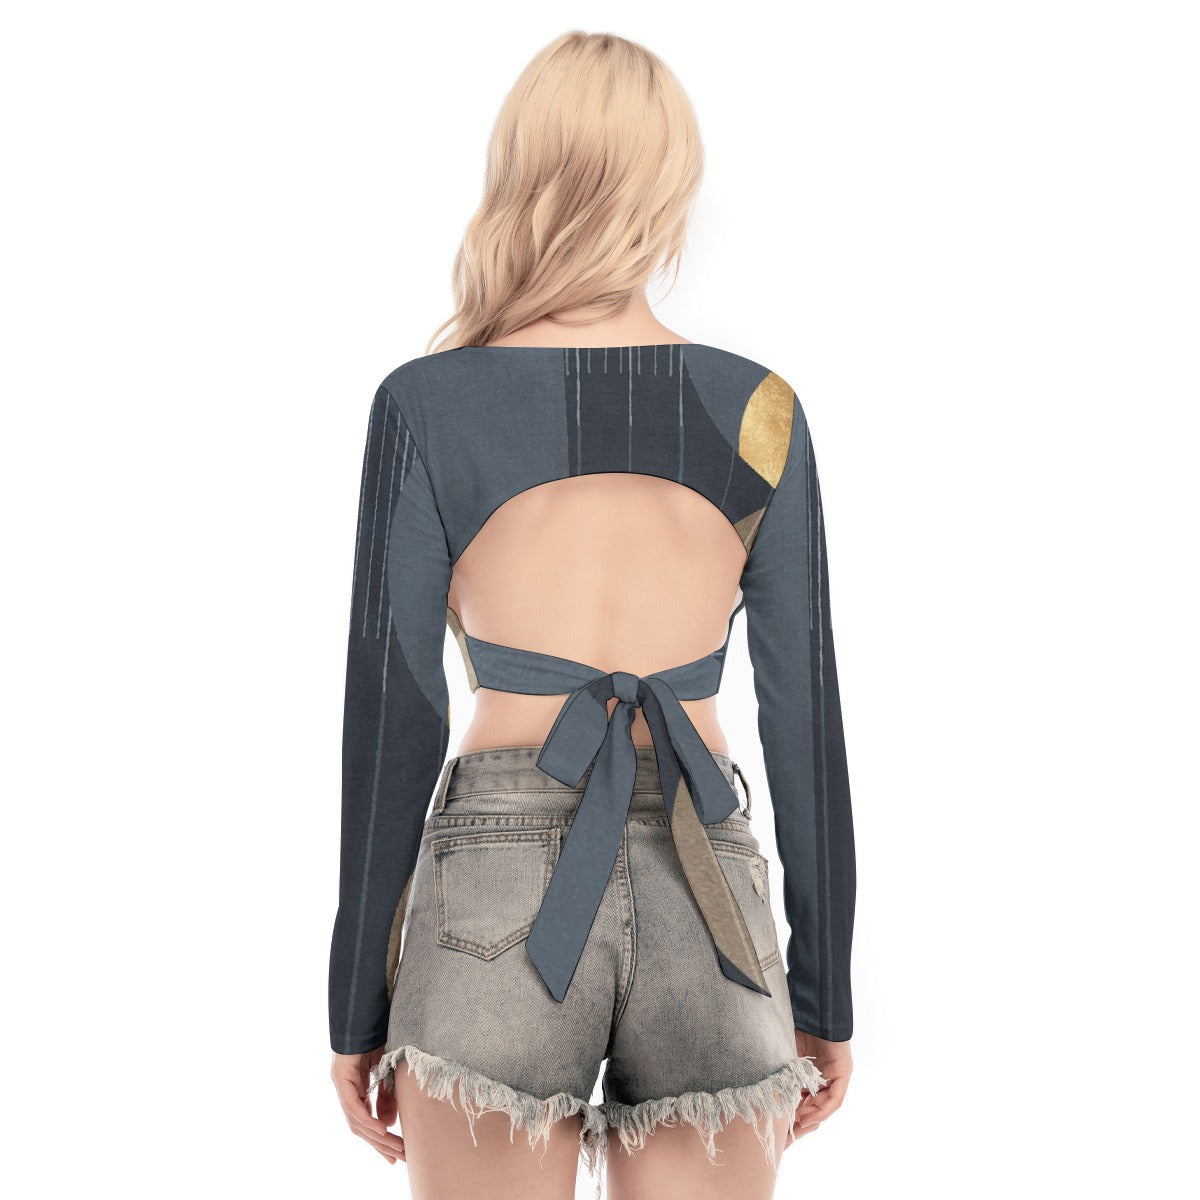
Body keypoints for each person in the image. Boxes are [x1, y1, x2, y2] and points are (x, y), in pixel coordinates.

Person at [328, 29, 856, 1200]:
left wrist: (355, 1001)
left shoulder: (428, 405)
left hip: (495, 879)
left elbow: (393, 716)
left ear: (520, 167)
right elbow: (806, 722)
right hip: (708, 878)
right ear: (670, 184)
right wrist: (825, 994)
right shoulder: (758, 407)